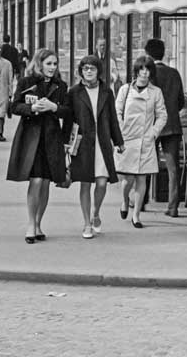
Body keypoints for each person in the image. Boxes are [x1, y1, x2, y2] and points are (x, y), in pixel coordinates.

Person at [6, 48, 69, 243]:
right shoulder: (27, 82)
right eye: (49, 63)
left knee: (46, 182)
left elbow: (67, 111)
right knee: (36, 180)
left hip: (51, 137)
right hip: (31, 137)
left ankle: (39, 223)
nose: (52, 67)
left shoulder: (61, 85)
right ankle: (31, 224)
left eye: (55, 64)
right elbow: (14, 106)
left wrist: (54, 107)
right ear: (39, 64)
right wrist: (32, 108)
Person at [63, 55, 125, 239]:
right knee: (85, 182)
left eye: (92, 68)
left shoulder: (107, 92)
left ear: (99, 71)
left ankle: (96, 212)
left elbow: (113, 118)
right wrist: (65, 142)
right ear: (80, 71)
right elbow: (68, 118)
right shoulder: (74, 92)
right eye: (85, 68)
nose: (88, 71)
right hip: (83, 142)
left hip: (103, 141)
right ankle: (87, 224)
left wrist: (119, 141)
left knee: (101, 182)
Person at [116, 55, 166, 229]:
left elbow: (162, 115)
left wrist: (153, 133)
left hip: (145, 140)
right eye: (142, 69)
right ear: (136, 71)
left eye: (148, 69)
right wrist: (121, 133)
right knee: (128, 178)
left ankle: (136, 216)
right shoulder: (125, 90)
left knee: (141, 178)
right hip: (127, 139)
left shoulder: (156, 92)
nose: (145, 73)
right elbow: (117, 112)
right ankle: (124, 201)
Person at [144, 38, 185, 218]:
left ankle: (141, 201)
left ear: (147, 55)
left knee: (145, 164)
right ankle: (173, 206)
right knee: (173, 168)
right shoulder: (174, 73)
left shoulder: (147, 74)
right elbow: (181, 102)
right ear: (163, 53)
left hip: (152, 125)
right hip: (172, 125)